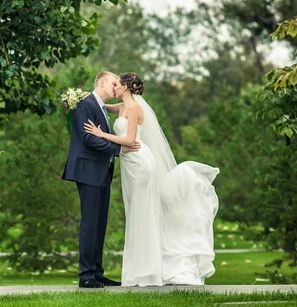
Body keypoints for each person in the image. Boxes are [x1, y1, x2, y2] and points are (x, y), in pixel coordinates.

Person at [83, 72, 219, 286]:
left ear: (126, 87)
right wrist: (85, 97)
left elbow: (129, 139)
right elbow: (101, 105)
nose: (115, 87)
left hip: (140, 164)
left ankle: (148, 272)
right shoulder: (123, 106)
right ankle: (141, 270)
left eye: (118, 84)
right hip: (130, 164)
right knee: (135, 213)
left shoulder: (136, 108)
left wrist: (101, 134)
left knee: (142, 213)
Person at [62, 71, 140, 288]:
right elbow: (87, 138)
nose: (117, 87)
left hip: (101, 171)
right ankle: (86, 275)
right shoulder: (86, 104)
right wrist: (120, 148)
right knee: (90, 223)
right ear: (103, 82)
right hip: (88, 170)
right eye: (114, 83)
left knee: (99, 223)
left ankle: (96, 272)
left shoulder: (99, 106)